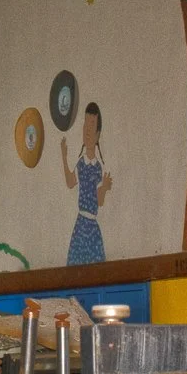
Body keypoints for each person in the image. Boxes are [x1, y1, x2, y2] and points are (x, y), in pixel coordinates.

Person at [61, 103, 111, 265]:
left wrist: (104, 187)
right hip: (80, 225)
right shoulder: (81, 164)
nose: (87, 131)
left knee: (96, 269)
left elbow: (100, 201)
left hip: (92, 227)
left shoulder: (98, 167)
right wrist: (64, 156)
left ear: (97, 135)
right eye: (85, 125)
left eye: (92, 126)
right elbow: (70, 182)